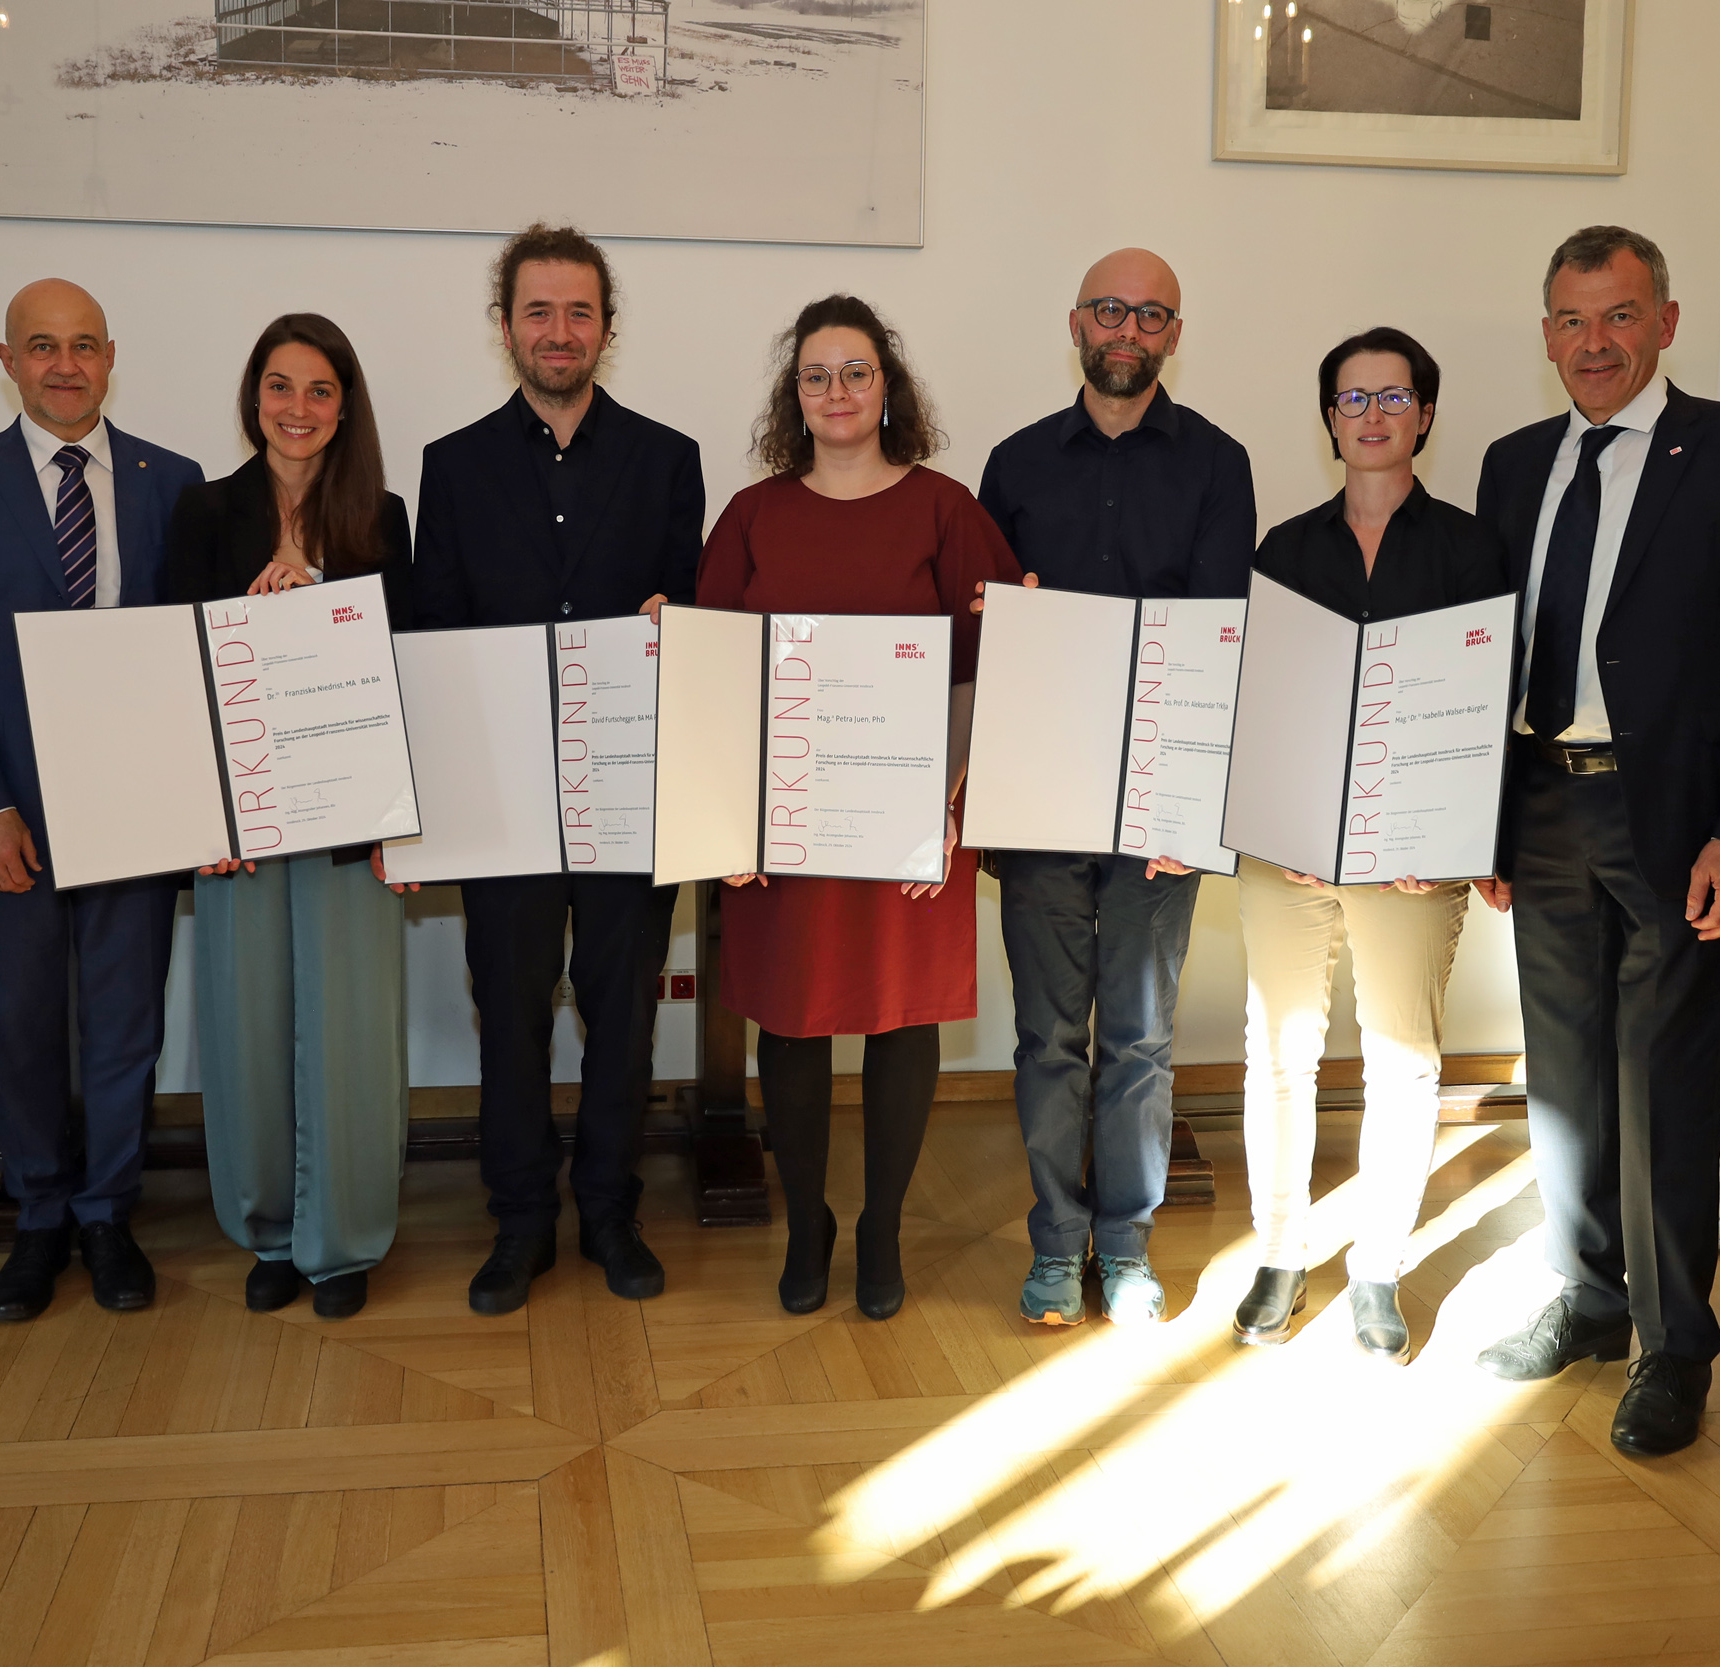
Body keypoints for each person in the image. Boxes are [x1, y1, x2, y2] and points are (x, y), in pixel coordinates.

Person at [1471, 227, 1720, 1455]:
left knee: (1664, 1085)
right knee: (1563, 1081)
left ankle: (1676, 1348)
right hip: (1546, 805)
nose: (1593, 343)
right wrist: (1484, 816)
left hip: (1678, 818)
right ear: (1547, 333)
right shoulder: (1513, 466)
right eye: (1569, 320)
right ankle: (1590, 1300)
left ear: (1664, 322)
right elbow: (1485, 659)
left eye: (1617, 316)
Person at [702, 294, 1021, 1320]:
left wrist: (953, 795)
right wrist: (724, 816)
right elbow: (712, 671)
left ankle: (879, 1226)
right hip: (782, 822)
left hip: (913, 813)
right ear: (791, 397)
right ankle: (809, 1223)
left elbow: (987, 662)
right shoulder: (752, 515)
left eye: (855, 371)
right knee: (789, 1027)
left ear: (888, 386)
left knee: (900, 1019)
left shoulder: (944, 507)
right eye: (814, 375)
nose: (835, 391)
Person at [410, 223, 703, 1317]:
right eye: (538, 310)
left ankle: (612, 1212)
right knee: (514, 1009)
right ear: (505, 328)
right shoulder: (453, 464)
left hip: (632, 791)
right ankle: (521, 1219)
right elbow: (436, 631)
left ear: (607, 329)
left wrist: (681, 625)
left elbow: (690, 613)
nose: (559, 330)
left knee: (623, 1012)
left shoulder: (668, 459)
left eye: (579, 310)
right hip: (503, 798)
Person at [0, 279, 206, 1323]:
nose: (65, 365)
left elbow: (198, 652)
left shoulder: (175, 481)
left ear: (111, 355)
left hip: (140, 811)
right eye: (43, 346)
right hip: (11, 820)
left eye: (83, 345)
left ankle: (106, 1211)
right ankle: (37, 1214)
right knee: (24, 1022)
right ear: (8, 358)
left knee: (124, 1025)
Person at [972, 249, 1255, 1328]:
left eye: (1149, 313)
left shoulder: (1218, 465)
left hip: (1159, 804)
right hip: (1043, 794)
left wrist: (1193, 804)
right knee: (1048, 1037)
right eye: (1108, 309)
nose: (1126, 329)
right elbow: (991, 629)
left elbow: (1220, 634)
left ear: (1174, 333)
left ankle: (1126, 1248)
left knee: (1136, 1036)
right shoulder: (1014, 463)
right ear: (1076, 323)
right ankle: (1055, 1243)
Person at [1230, 328, 1509, 1363]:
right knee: (1279, 1055)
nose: (1372, 414)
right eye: (1351, 398)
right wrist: (1285, 818)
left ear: (1424, 414)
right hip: (1290, 852)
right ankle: (1277, 1251)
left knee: (1401, 1061)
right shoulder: (1283, 548)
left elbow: (1485, 709)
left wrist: (1455, 839)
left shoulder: (1474, 549)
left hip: (1414, 859)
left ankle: (1376, 1268)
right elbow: (1265, 699)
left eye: (1393, 396)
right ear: (1329, 419)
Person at [165, 314, 413, 1322]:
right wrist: (201, 814)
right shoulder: (201, 510)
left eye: (318, 389)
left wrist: (318, 607)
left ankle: (342, 1239)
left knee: (349, 1027)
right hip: (241, 826)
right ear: (252, 396)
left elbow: (408, 662)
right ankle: (269, 1228)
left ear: (344, 404)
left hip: (351, 816)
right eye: (279, 385)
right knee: (248, 1024)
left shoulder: (382, 517)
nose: (297, 409)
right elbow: (174, 664)